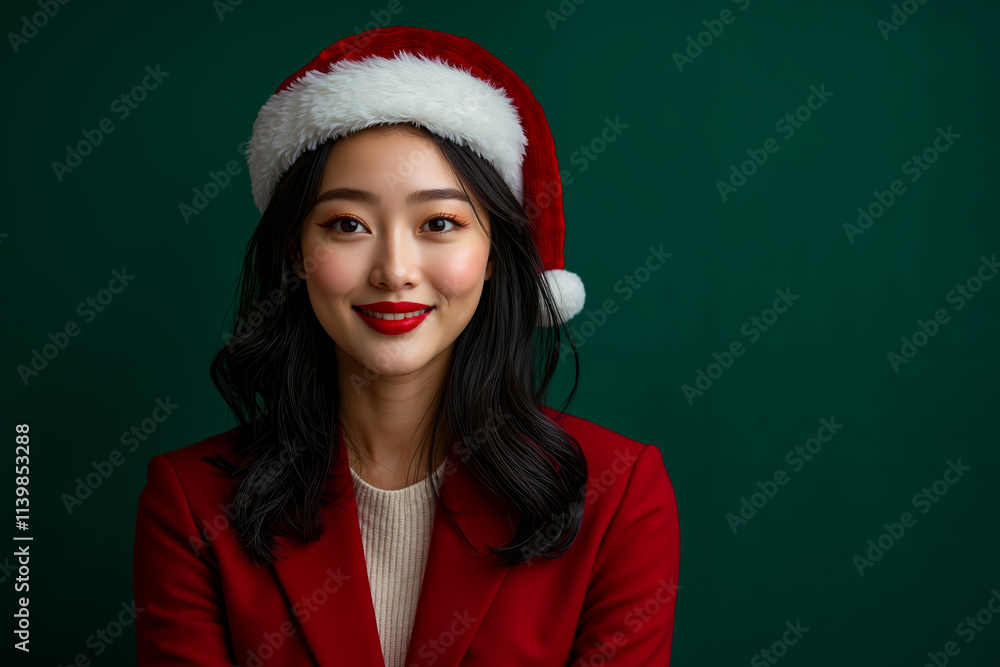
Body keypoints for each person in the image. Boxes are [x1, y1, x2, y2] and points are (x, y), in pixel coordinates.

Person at [133, 25, 680, 666]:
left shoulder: (618, 497)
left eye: (439, 223)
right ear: (297, 253)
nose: (394, 269)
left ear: (494, 256)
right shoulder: (191, 503)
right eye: (347, 224)